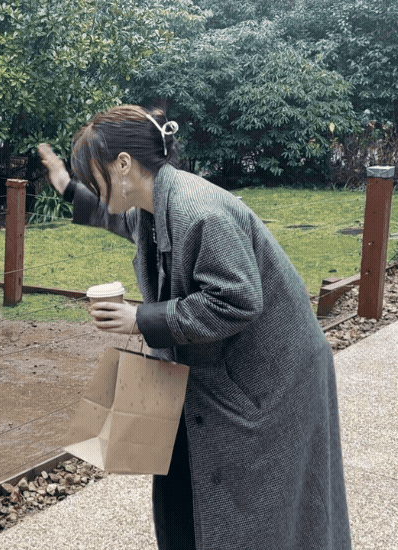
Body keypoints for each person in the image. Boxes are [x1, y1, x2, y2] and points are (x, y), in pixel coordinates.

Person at [38, 105, 351, 549]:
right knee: (183, 488)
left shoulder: (197, 210)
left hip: (270, 378)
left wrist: (140, 319)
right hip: (222, 372)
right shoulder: (152, 201)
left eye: (93, 175)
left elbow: (238, 300)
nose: (92, 185)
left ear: (123, 165)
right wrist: (70, 189)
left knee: (254, 510)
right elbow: (117, 216)